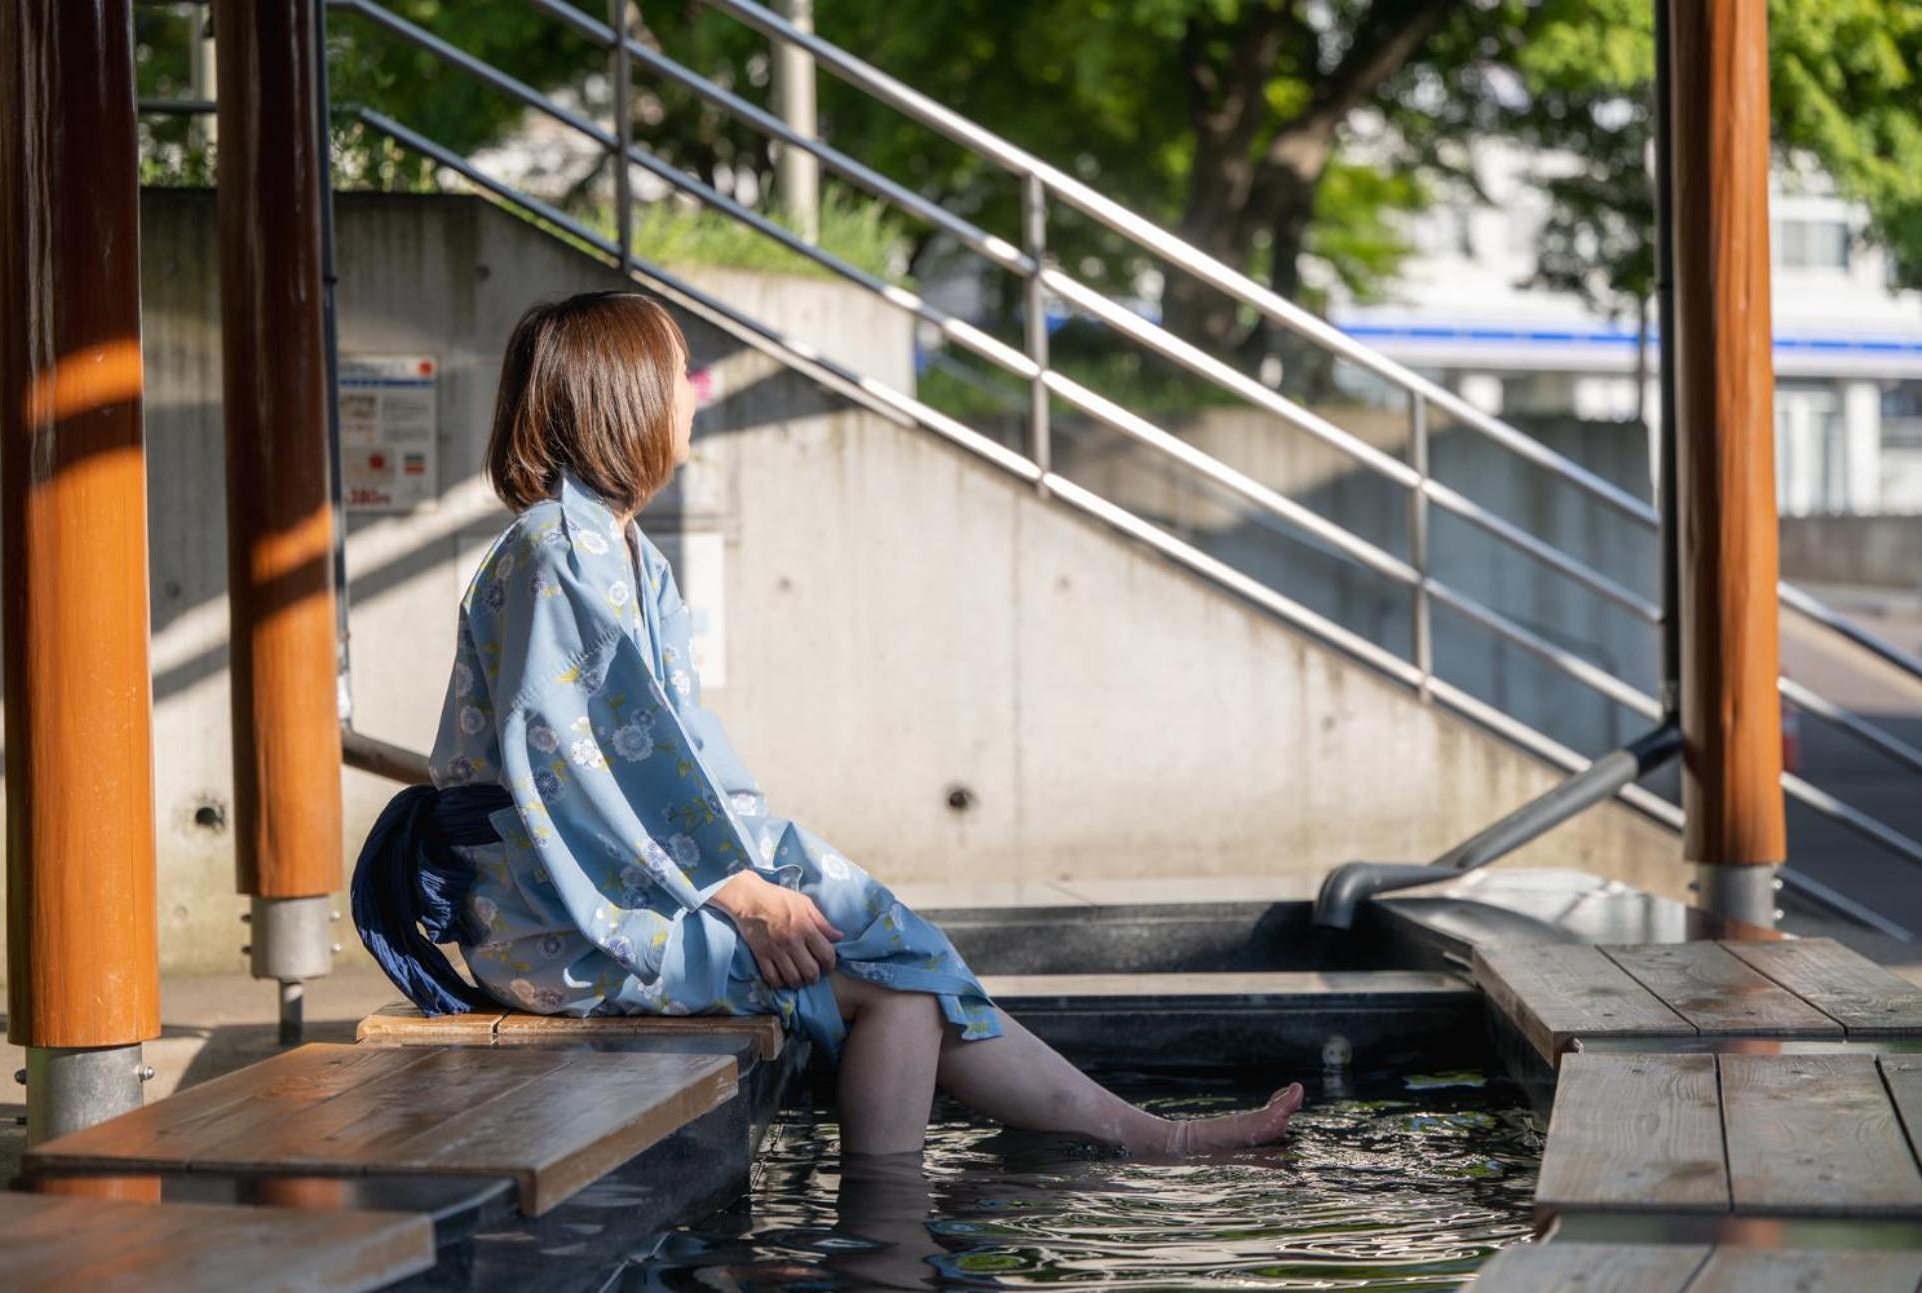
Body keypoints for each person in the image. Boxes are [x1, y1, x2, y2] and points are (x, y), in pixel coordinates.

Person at [353, 290, 1303, 1156]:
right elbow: (590, 763)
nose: (692, 395)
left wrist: (777, 875)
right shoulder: (559, 552)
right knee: (896, 984)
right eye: (678, 374)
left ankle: (1142, 1137)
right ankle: (888, 1239)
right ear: (626, 397)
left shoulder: (615, 551)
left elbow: (668, 758)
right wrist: (743, 890)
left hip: (620, 894)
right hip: (567, 926)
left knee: (893, 934)